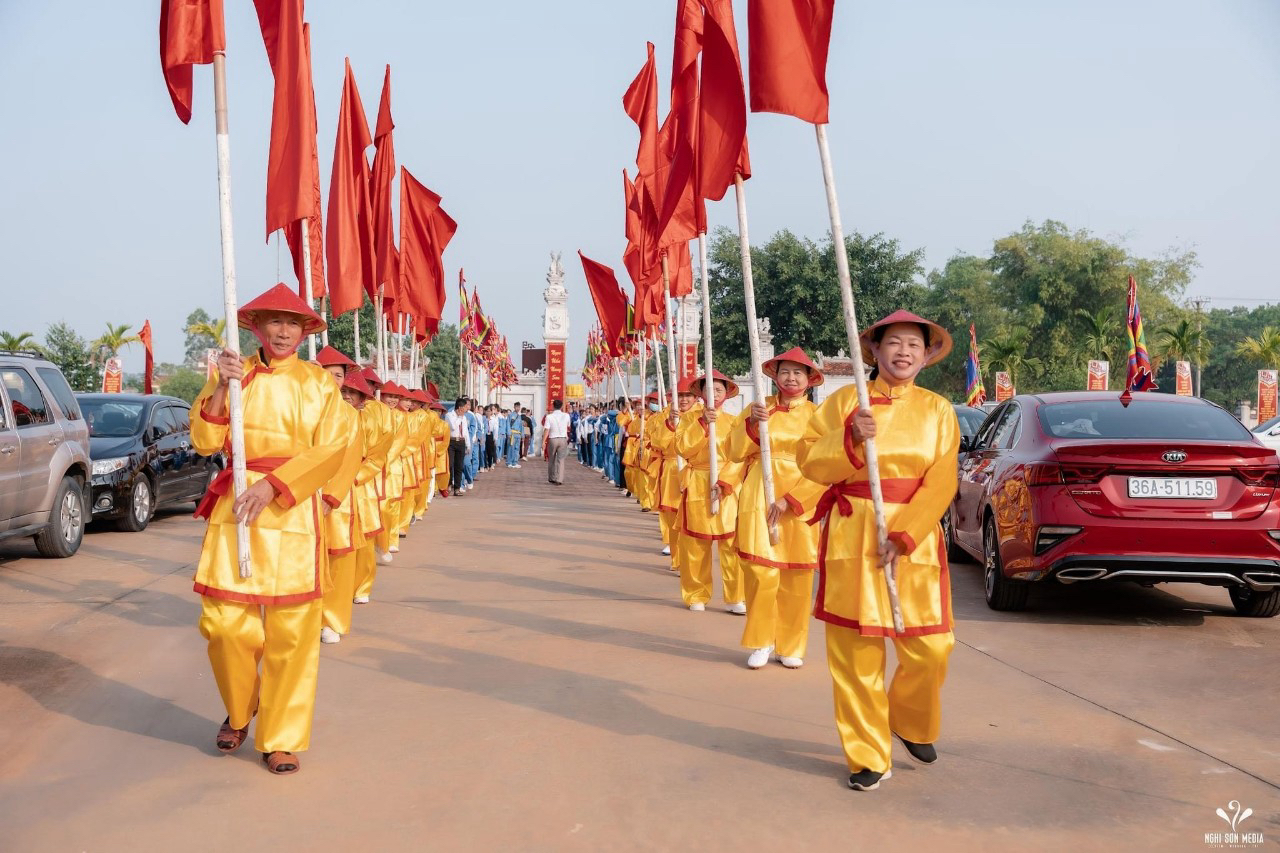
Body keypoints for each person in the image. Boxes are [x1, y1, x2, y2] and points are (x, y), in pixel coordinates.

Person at [797, 310, 959, 792]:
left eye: (914, 344)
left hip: (914, 538)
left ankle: (909, 720)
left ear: (927, 355)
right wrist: (848, 437)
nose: (903, 352)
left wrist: (907, 532)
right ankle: (867, 754)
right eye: (894, 343)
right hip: (854, 531)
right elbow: (808, 460)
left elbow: (942, 477)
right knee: (855, 652)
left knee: (931, 646)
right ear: (874, 350)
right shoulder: (847, 402)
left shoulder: (938, 409)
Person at [190, 283, 348, 776]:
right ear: (255, 326)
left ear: (304, 331)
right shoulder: (235, 375)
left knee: (292, 633)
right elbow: (203, 439)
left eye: (293, 322)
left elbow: (333, 448)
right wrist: (220, 386)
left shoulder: (319, 383)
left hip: (291, 507)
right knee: (223, 625)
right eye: (273, 321)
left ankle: (281, 737)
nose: (282, 331)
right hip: (235, 506)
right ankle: (243, 708)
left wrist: (275, 486)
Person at [726, 348, 826, 671]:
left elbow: (824, 466)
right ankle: (761, 639)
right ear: (775, 375)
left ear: (809, 380)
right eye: (785, 371)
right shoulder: (760, 409)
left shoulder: (817, 415)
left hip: (800, 494)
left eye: (798, 372)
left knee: (796, 577)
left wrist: (793, 499)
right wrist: (752, 426)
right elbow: (734, 451)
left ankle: (791, 644)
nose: (791, 377)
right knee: (760, 572)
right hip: (760, 491)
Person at [675, 371, 746, 613]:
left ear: (726, 393)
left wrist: (726, 481)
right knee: (695, 544)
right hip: (697, 481)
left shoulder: (734, 421)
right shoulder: (689, 419)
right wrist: (703, 423)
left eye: (718, 390)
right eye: (709, 390)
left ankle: (736, 595)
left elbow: (741, 455)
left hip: (727, 486)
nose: (713, 394)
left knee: (731, 544)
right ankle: (696, 593)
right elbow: (682, 448)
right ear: (701, 393)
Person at [654, 378, 698, 567]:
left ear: (696, 397)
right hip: (672, 470)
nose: (684, 400)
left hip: (695, 472)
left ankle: (690, 562)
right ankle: (677, 558)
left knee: (692, 518)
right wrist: (670, 424)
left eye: (688, 395)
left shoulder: (702, 416)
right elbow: (657, 443)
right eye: (680, 396)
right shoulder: (665, 417)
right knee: (672, 517)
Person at [446, 397, 472, 495]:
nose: (467, 409)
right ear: (460, 407)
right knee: (450, 465)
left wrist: (468, 445)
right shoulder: (449, 415)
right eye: (465, 407)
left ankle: (457, 488)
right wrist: (459, 417)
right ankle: (448, 484)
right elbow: (452, 427)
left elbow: (465, 432)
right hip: (452, 441)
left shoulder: (464, 417)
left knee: (459, 466)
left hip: (461, 442)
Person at [544, 398, 571, 485]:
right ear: (561, 406)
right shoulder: (566, 415)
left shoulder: (549, 416)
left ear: (553, 406)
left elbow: (546, 430)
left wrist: (543, 441)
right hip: (563, 439)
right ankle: (559, 479)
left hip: (553, 439)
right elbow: (568, 426)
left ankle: (552, 477)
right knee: (561, 460)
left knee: (551, 459)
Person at [506, 404, 525, 468]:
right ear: (514, 407)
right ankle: (509, 462)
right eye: (516, 407)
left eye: (519, 407)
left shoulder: (519, 416)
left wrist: (522, 435)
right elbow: (508, 424)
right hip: (512, 434)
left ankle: (515, 462)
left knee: (517, 449)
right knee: (511, 448)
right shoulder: (510, 415)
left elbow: (521, 426)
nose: (518, 408)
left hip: (518, 434)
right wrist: (509, 433)